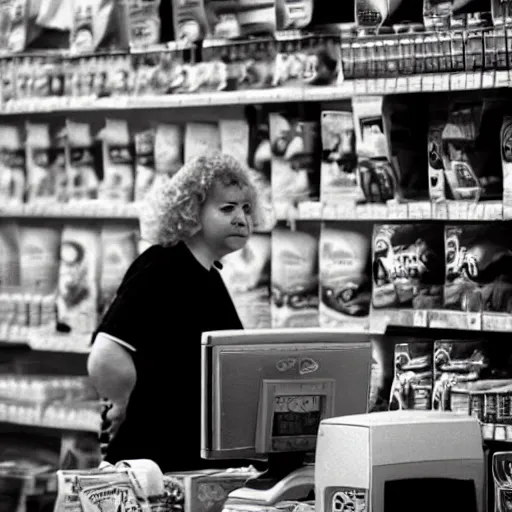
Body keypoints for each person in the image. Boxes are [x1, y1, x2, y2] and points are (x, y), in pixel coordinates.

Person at [87, 153, 263, 472]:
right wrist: (121, 403)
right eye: (227, 208)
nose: (242, 218)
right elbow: (105, 354)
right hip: (152, 464)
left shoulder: (208, 274)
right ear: (191, 210)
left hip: (187, 463)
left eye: (246, 208)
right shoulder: (162, 267)